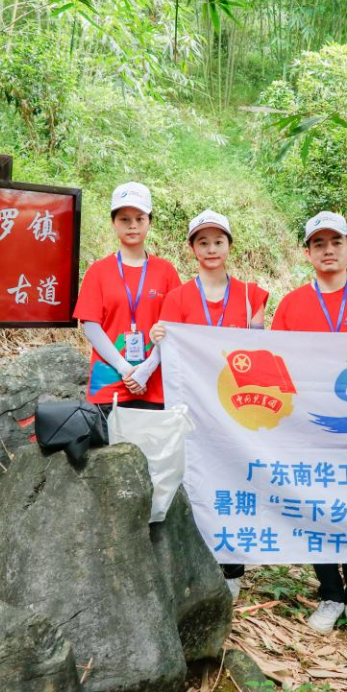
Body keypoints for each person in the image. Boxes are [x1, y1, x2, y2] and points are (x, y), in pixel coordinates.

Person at [271, 210, 347, 641]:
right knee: (317, 506)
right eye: (319, 244)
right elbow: (277, 365)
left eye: (336, 242)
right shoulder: (291, 304)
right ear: (307, 253)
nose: (328, 251)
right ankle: (330, 594)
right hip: (309, 426)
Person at [149, 209, 270, 600]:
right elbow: (167, 349)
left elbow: (259, 348)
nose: (211, 249)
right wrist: (156, 339)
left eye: (218, 241)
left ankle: (233, 570)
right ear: (192, 249)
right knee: (196, 479)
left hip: (238, 407)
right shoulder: (178, 298)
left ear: (229, 246)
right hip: (195, 407)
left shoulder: (250, 295)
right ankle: (198, 563)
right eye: (203, 242)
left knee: (235, 480)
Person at [73, 182, 181, 412]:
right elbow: (91, 327)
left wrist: (146, 369)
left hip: (156, 384)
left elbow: (174, 328)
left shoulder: (166, 271)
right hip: (109, 386)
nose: (132, 225)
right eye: (124, 219)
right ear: (114, 222)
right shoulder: (98, 271)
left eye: (139, 219)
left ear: (149, 222)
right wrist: (125, 369)